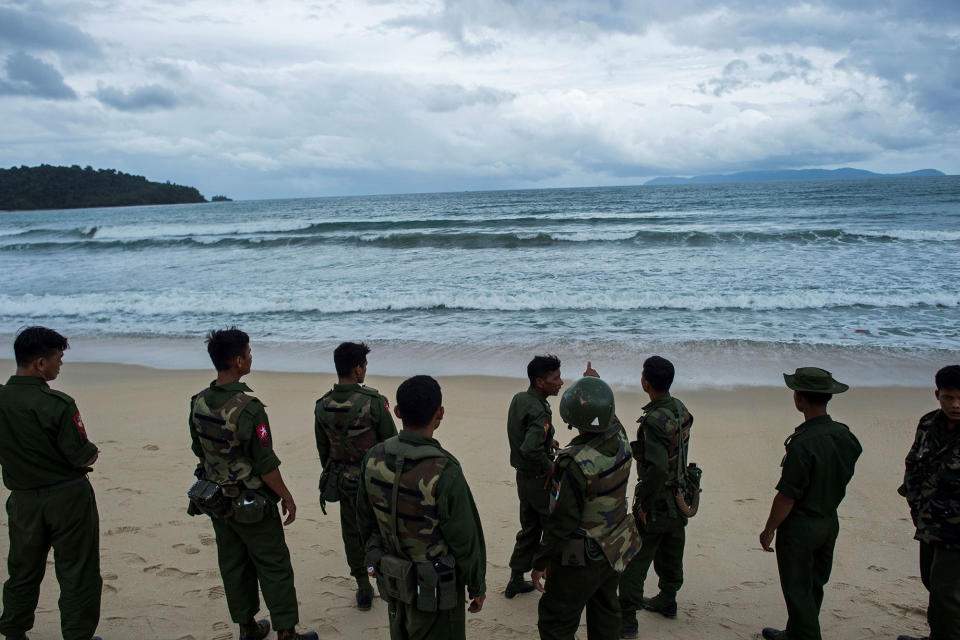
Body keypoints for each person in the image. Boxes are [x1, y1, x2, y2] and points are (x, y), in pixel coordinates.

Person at [187, 328, 317, 640]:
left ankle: (247, 628)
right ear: (237, 360)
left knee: (233, 564)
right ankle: (287, 632)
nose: (250, 357)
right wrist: (286, 496)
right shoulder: (248, 408)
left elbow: (199, 450)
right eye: (248, 353)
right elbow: (265, 463)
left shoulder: (198, 402)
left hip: (217, 500)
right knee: (273, 565)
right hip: (252, 503)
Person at [356, 375, 486, 639]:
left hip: (393, 575)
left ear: (397, 412)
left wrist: (376, 555)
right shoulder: (444, 469)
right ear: (440, 413)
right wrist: (476, 585)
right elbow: (464, 538)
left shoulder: (374, 457)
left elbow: (364, 519)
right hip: (435, 588)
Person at [0, 327, 103, 640]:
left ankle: (14, 631)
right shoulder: (57, 403)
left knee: (22, 569)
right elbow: (81, 455)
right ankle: (77, 635)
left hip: (22, 498)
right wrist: (93, 453)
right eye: (58, 358)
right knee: (77, 571)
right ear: (40, 363)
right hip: (67, 497)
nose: (61, 365)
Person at [532, 374, 641, 640]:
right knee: (605, 610)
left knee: (556, 619)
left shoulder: (575, 463)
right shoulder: (622, 437)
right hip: (616, 542)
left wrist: (540, 561)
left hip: (584, 554)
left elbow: (562, 522)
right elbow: (609, 418)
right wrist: (595, 383)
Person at [759, 367, 862, 640]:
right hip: (829, 520)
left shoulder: (803, 443)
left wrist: (770, 528)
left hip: (801, 525)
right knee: (815, 584)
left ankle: (804, 634)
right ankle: (796, 632)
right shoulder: (845, 436)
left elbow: (787, 496)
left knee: (797, 590)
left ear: (799, 399)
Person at [616, 356, 696, 638]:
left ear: (645, 382)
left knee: (636, 557)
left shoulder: (654, 420)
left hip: (660, 498)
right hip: (681, 495)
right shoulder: (679, 408)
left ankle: (627, 619)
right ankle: (668, 599)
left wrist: (644, 506)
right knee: (672, 549)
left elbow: (658, 468)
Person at [315, 341, 397, 610]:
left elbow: (323, 450)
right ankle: (386, 579)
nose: (365, 370)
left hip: (343, 480)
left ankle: (362, 584)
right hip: (374, 481)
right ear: (357, 368)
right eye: (364, 365)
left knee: (352, 533)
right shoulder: (374, 402)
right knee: (384, 531)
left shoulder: (322, 405)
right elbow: (391, 443)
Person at [897, 364, 960, 640]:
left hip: (957, 531)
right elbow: (913, 464)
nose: (956, 405)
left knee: (946, 592)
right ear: (937, 395)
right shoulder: (927, 423)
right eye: (948, 397)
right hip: (929, 522)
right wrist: (914, 502)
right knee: (932, 583)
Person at [505, 354, 563, 598]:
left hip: (523, 478)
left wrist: (548, 441)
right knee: (553, 527)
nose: (560, 382)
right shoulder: (540, 410)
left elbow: (525, 435)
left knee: (529, 529)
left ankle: (516, 579)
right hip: (539, 479)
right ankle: (551, 578)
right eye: (555, 378)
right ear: (540, 382)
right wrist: (548, 464)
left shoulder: (521, 399)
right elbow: (530, 447)